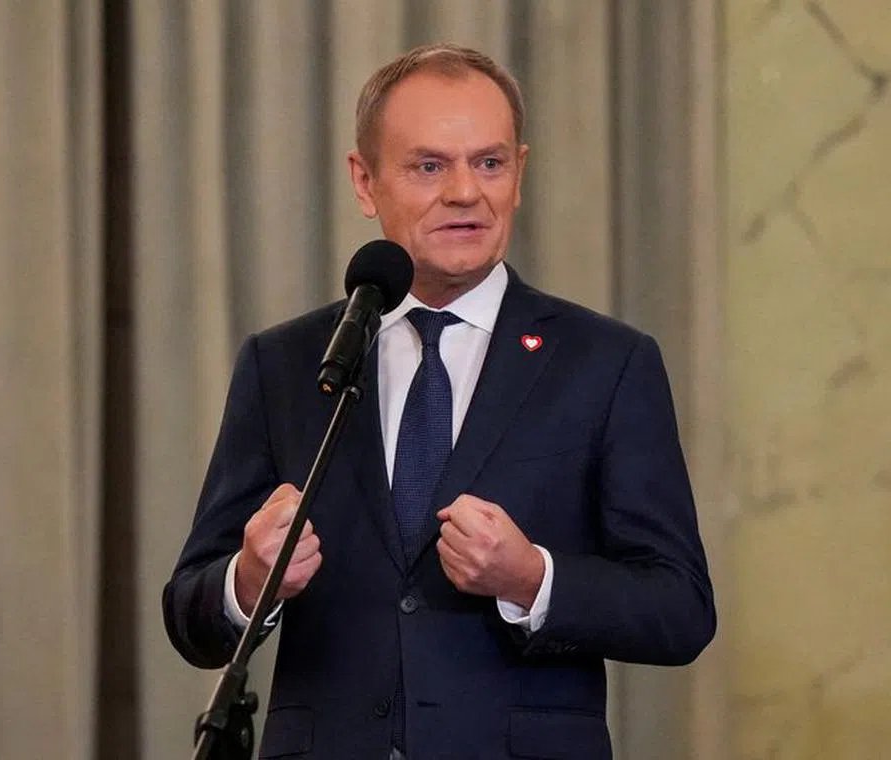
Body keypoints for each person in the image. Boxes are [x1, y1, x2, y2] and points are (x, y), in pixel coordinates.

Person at [163, 43, 715, 760]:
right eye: (429, 166)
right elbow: (190, 615)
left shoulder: (606, 363)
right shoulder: (286, 364)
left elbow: (679, 609)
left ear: (520, 173)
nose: (464, 192)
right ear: (365, 181)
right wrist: (246, 581)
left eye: (489, 163)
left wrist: (532, 578)